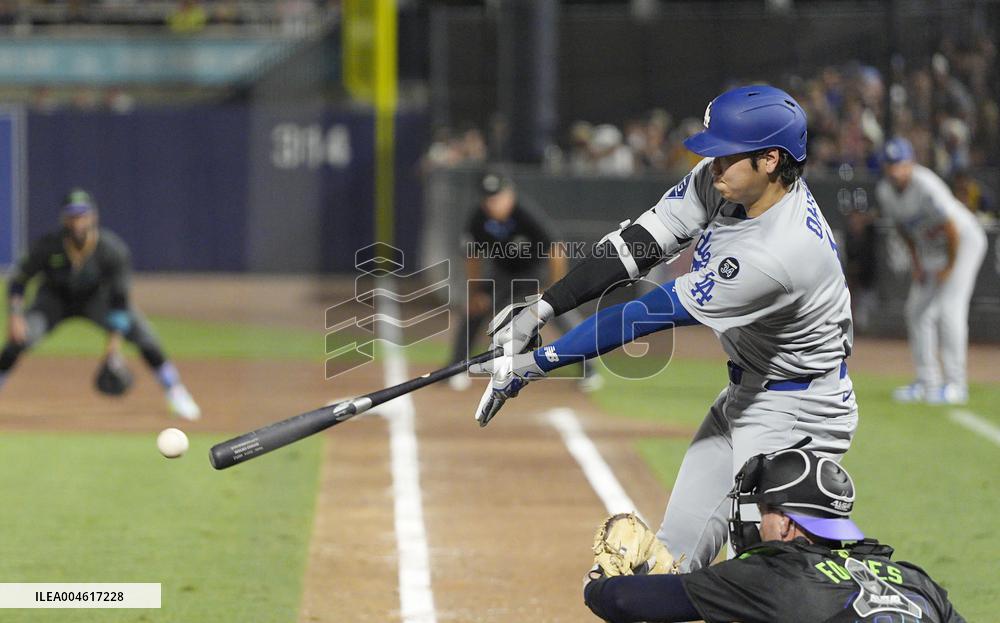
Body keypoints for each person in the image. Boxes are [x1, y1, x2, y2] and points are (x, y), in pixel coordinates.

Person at [471, 85, 857, 572]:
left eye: (726, 154)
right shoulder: (729, 184)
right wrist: (541, 310)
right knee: (669, 563)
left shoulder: (779, 252)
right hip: (745, 393)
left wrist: (535, 364)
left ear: (771, 160)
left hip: (800, 412)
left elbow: (647, 315)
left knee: (764, 575)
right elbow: (637, 246)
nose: (712, 163)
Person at [583, 448, 966, 622]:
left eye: (764, 510)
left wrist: (600, 580)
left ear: (785, 524)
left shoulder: (769, 575)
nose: (756, 521)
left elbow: (623, 602)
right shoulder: (915, 579)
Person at [0, 189, 201, 420]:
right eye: (72, 215)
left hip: (96, 300)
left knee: (143, 335)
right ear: (64, 218)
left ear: (93, 216)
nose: (78, 220)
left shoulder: (111, 249)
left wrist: (112, 348)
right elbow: (19, 281)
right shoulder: (48, 246)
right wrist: (15, 316)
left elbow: (119, 300)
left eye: (82, 214)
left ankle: (174, 390)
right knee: (18, 338)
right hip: (53, 300)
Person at [450, 172, 601, 391]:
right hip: (502, 274)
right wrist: (475, 293)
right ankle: (456, 368)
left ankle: (590, 370)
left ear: (510, 195)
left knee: (562, 314)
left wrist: (555, 288)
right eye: (488, 199)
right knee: (474, 310)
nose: (493, 204)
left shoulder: (525, 213)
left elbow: (556, 249)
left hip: (534, 272)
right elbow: (472, 256)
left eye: (498, 198)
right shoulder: (479, 217)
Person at [876, 138, 987, 405]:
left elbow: (950, 227)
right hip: (932, 249)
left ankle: (956, 384)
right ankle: (928, 381)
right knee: (917, 310)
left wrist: (949, 267)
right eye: (891, 165)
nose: (895, 170)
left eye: (900, 164)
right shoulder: (885, 191)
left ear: (910, 163)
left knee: (950, 308)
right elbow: (904, 230)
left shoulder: (926, 184)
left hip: (964, 241)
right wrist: (918, 263)